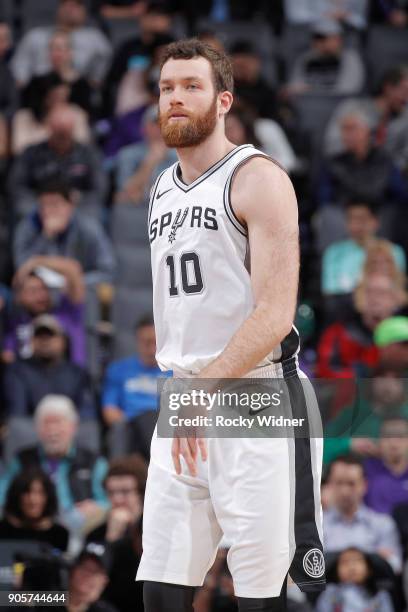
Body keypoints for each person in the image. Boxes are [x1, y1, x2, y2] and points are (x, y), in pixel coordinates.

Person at [135, 38, 325, 611]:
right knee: (162, 593)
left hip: (257, 398)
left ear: (223, 100)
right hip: (186, 397)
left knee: (259, 598)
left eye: (191, 86)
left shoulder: (257, 177)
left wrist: (200, 392)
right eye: (167, 87)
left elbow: (274, 313)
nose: (175, 98)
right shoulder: (162, 189)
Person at [0, 395, 108, 535]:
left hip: (81, 528)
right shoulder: (22, 460)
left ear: (73, 427)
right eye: (46, 423)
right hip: (34, 527)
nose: (53, 430)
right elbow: (3, 494)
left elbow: (108, 500)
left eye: (59, 423)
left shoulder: (93, 461)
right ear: (37, 430)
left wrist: (97, 507)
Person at [3, 315, 97, 440]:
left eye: (50, 336)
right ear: (32, 341)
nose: (45, 341)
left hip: (70, 437)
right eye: (39, 336)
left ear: (63, 341)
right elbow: (18, 414)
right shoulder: (18, 371)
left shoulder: (77, 374)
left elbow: (86, 415)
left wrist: (63, 430)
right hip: (32, 437)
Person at [9, 105, 107, 219]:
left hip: (78, 206)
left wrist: (74, 201)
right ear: (49, 128)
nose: (62, 137)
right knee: (23, 208)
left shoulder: (89, 154)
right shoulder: (31, 153)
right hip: (38, 204)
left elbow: (100, 188)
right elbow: (16, 186)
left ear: (72, 129)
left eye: (65, 132)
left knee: (92, 212)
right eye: (59, 132)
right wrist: (43, 202)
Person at [13, 179, 115, 286]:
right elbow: (22, 268)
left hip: (81, 292)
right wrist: (46, 236)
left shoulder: (88, 228)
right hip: (42, 292)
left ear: (70, 205)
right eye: (44, 205)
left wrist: (73, 282)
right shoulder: (28, 226)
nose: (49, 211)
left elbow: (107, 271)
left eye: (55, 204)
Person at [323, 454, 402, 573]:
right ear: (329, 484)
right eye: (339, 483)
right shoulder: (316, 526)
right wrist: (375, 557)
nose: (345, 491)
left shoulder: (383, 524)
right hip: (328, 590)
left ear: (364, 485)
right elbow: (307, 568)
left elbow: (395, 566)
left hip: (372, 590)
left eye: (351, 483)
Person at [86, 457, 146, 612]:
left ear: (140, 493)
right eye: (111, 493)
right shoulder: (96, 533)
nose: (117, 499)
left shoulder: (155, 530)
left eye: (125, 492)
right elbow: (92, 583)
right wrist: (111, 540)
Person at [102, 315, 167, 458]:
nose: (151, 349)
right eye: (146, 343)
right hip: (130, 427)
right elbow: (109, 410)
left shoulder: (174, 371)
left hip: (165, 427)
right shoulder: (119, 370)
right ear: (137, 342)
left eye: (155, 343)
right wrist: (126, 421)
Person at [11, 0, 112, 87]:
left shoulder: (95, 38)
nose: (70, 8)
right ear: (57, 8)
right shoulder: (35, 36)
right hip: (39, 92)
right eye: (65, 3)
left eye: (77, 4)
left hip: (78, 93)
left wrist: (84, 87)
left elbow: (101, 74)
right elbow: (20, 70)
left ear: (85, 10)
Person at [3, 261, 86, 366]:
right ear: (19, 297)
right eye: (33, 291)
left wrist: (34, 262)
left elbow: (73, 270)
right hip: (26, 380)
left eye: (44, 289)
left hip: (68, 379)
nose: (41, 296)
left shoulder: (67, 314)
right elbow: (8, 357)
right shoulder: (15, 325)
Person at [321, 200, 406, 297]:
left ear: (375, 221)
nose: (356, 225)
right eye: (351, 219)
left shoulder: (394, 251)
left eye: (361, 219)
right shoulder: (333, 253)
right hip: (344, 306)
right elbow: (330, 291)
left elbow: (399, 288)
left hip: (386, 304)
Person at [287, 19, 365, 96]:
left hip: (340, 105)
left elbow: (347, 91)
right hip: (308, 104)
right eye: (317, 38)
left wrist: (311, 90)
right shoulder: (306, 58)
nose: (321, 43)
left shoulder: (350, 58)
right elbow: (295, 86)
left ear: (339, 39)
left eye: (325, 38)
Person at [0, 469, 68, 551]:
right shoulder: (3, 531)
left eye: (40, 493)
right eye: (27, 493)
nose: (33, 500)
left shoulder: (59, 534)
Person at [315, 547, 395, 612]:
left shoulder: (380, 595)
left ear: (369, 570)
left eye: (357, 561)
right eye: (345, 562)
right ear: (336, 571)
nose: (351, 567)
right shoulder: (330, 592)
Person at [364, 417, 408, 515]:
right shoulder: (365, 470)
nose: (394, 443)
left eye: (400, 437)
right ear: (379, 441)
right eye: (387, 436)